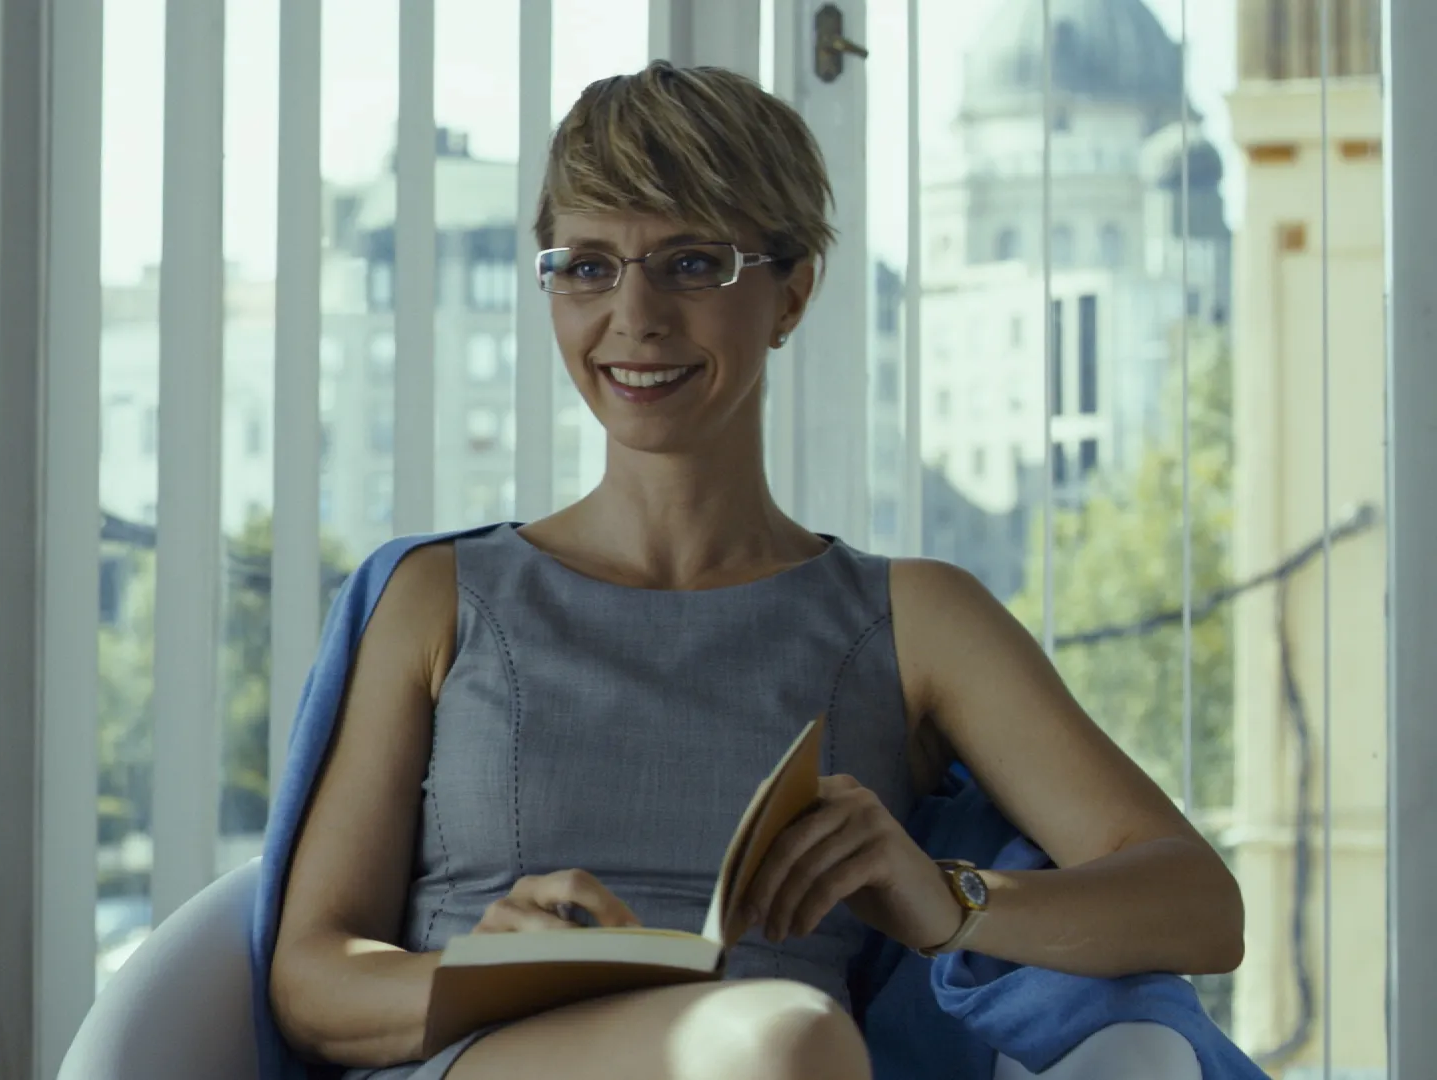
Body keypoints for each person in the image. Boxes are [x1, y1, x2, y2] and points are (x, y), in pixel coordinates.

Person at [267, 61, 1243, 1080]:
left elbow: (1200, 906)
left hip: (788, 1059)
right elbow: (310, 982)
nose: (634, 315)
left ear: (793, 294)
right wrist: (488, 975)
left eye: (692, 264)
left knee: (784, 1040)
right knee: (785, 1038)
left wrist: (950, 899)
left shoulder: (912, 617)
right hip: (492, 1061)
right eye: (588, 267)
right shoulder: (440, 598)